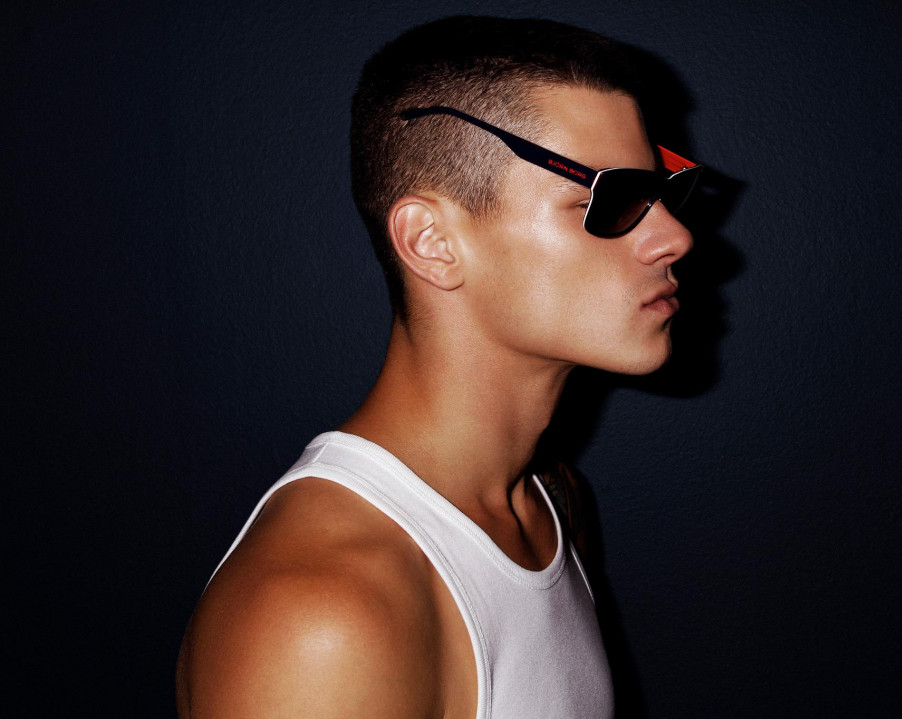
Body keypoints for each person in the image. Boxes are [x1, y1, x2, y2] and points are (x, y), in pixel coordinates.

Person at [177, 15, 699, 718]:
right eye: (609, 200)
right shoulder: (323, 613)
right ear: (432, 242)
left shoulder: (551, 503)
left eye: (661, 192)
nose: (675, 235)